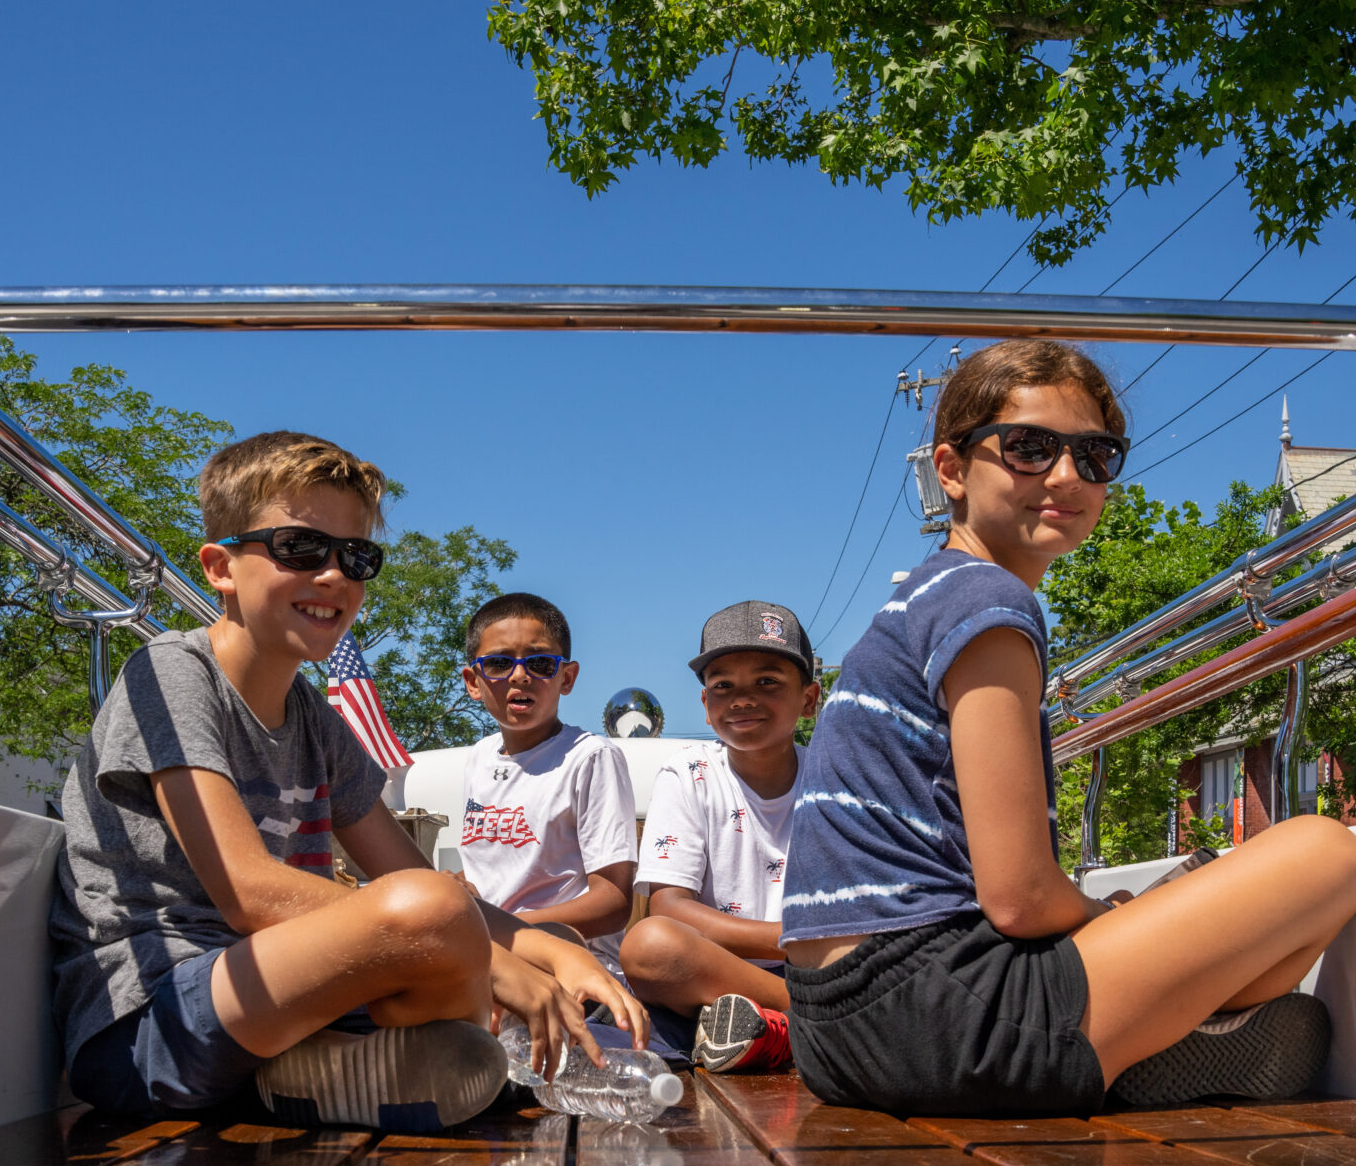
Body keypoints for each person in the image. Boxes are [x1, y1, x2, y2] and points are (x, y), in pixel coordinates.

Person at [779, 341, 1356, 1116]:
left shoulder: (921, 600)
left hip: (832, 1026)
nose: (1065, 476)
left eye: (1095, 456)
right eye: (1029, 448)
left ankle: (1147, 1035)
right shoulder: (985, 602)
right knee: (1326, 856)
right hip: (935, 1014)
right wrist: (1112, 917)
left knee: (1212, 903)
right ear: (951, 469)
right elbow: (1021, 898)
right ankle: (1150, 1041)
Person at [49, 433, 646, 1130]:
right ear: (220, 566)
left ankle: (316, 1071)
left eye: (356, 557)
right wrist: (488, 959)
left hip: (271, 1001)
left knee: (462, 915)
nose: (334, 575)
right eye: (300, 548)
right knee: (434, 911)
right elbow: (249, 893)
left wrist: (552, 952)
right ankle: (337, 1061)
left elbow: (411, 875)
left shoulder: (312, 716)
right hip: (148, 1022)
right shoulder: (168, 674)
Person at [621, 601, 818, 1073]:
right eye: (723, 685)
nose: (743, 698)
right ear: (707, 708)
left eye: (767, 681)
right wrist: (788, 939)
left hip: (821, 964)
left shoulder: (838, 776)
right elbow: (669, 905)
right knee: (648, 947)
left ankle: (774, 1029)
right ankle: (813, 1023)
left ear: (809, 700)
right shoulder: (689, 773)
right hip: (718, 971)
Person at [455, 592, 639, 983]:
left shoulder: (589, 758)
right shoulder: (479, 757)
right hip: (487, 951)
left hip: (569, 958)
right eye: (499, 663)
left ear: (566, 678)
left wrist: (500, 927)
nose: (520, 675)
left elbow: (614, 902)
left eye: (539, 663)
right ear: (473, 682)